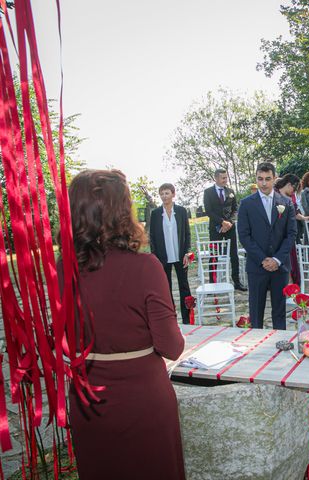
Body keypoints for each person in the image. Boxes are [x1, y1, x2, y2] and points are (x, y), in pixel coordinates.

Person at [66, 170, 185, 480]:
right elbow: (171, 347)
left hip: (87, 401)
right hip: (142, 401)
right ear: (122, 212)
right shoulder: (145, 267)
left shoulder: (61, 269)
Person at [237, 163, 297, 329]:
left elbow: (291, 234)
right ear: (256, 179)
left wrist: (277, 259)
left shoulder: (286, 202)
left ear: (274, 179)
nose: (263, 183)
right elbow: (244, 235)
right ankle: (256, 349)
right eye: (260, 179)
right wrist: (263, 259)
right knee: (256, 313)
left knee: (279, 311)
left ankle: (279, 346)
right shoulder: (246, 204)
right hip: (256, 266)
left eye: (267, 179)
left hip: (280, 266)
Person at [149, 183, 192, 324]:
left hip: (180, 255)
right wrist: (154, 256)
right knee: (165, 288)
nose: (164, 196)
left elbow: (187, 233)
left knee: (184, 286)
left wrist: (187, 252)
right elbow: (152, 237)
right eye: (161, 193)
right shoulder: (155, 214)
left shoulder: (181, 211)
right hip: (163, 257)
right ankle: (170, 318)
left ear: (173, 194)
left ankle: (187, 319)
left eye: (167, 193)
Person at [203, 169, 246, 291]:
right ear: (216, 178)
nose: (225, 180)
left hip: (230, 228)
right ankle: (213, 283)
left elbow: (235, 209)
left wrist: (230, 223)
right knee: (214, 255)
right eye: (223, 178)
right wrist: (222, 222)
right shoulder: (208, 192)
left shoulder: (230, 191)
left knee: (234, 254)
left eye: (226, 177)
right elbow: (208, 211)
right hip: (215, 228)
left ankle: (237, 282)